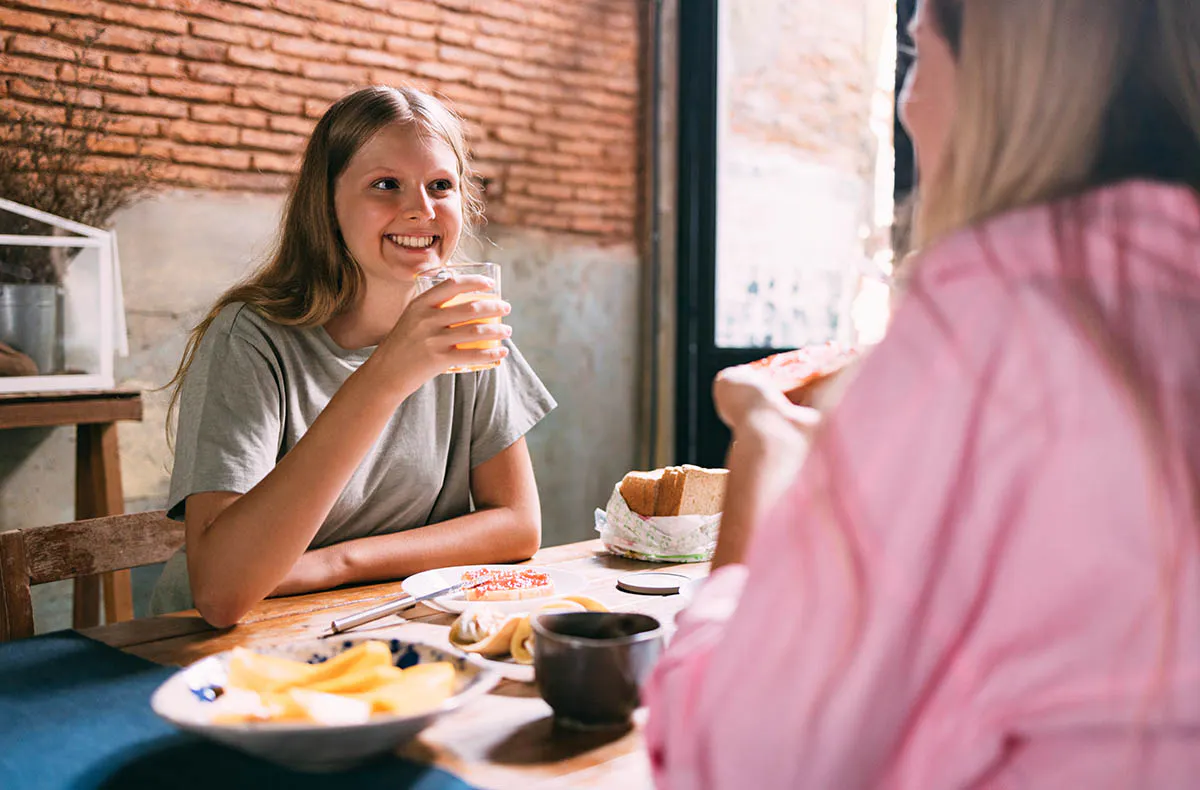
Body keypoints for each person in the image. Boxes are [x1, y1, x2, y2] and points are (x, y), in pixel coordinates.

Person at [646, 0, 1200, 787]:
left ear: (1008, 83)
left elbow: (746, 759)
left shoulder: (986, 330)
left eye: (913, 55)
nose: (906, 107)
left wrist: (764, 452)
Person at [150, 86, 556, 628]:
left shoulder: (464, 324)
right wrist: (388, 374)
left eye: (441, 186)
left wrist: (336, 563)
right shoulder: (249, 339)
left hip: (369, 616)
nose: (421, 209)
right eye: (385, 185)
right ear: (327, 202)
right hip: (205, 647)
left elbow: (516, 525)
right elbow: (222, 594)